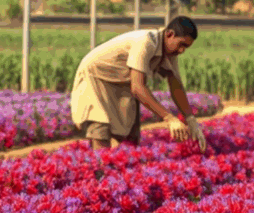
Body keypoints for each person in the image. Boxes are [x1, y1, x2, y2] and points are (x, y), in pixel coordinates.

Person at [70, 15, 207, 152]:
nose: (182, 51)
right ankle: (99, 162)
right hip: (96, 77)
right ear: (169, 34)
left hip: (120, 82)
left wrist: (190, 119)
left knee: (130, 132)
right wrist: (169, 118)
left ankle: (123, 161)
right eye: (181, 44)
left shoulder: (171, 53)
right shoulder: (146, 41)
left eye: (186, 47)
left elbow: (176, 86)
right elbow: (137, 87)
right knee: (101, 126)